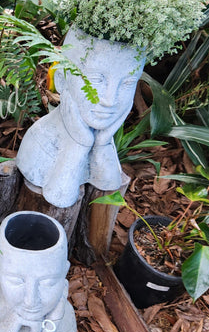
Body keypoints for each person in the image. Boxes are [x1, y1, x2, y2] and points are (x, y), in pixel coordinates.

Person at [16, 28, 145, 208]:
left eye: (128, 83)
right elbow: (60, 199)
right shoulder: (39, 140)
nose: (110, 100)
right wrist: (80, 144)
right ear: (62, 79)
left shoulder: (102, 138)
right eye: (97, 80)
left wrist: (102, 143)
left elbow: (110, 185)